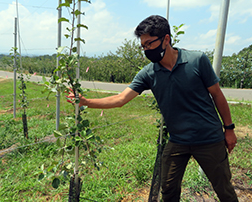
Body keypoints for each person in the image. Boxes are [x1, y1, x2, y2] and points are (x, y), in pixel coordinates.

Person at [68, 15, 238, 202]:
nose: (147, 49)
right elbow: (120, 99)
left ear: (166, 39)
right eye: (143, 46)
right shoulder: (149, 73)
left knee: (224, 190)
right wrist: (85, 101)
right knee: (168, 189)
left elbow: (217, 95)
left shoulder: (197, 61)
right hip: (178, 141)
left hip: (209, 139)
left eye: (149, 43)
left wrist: (229, 129)